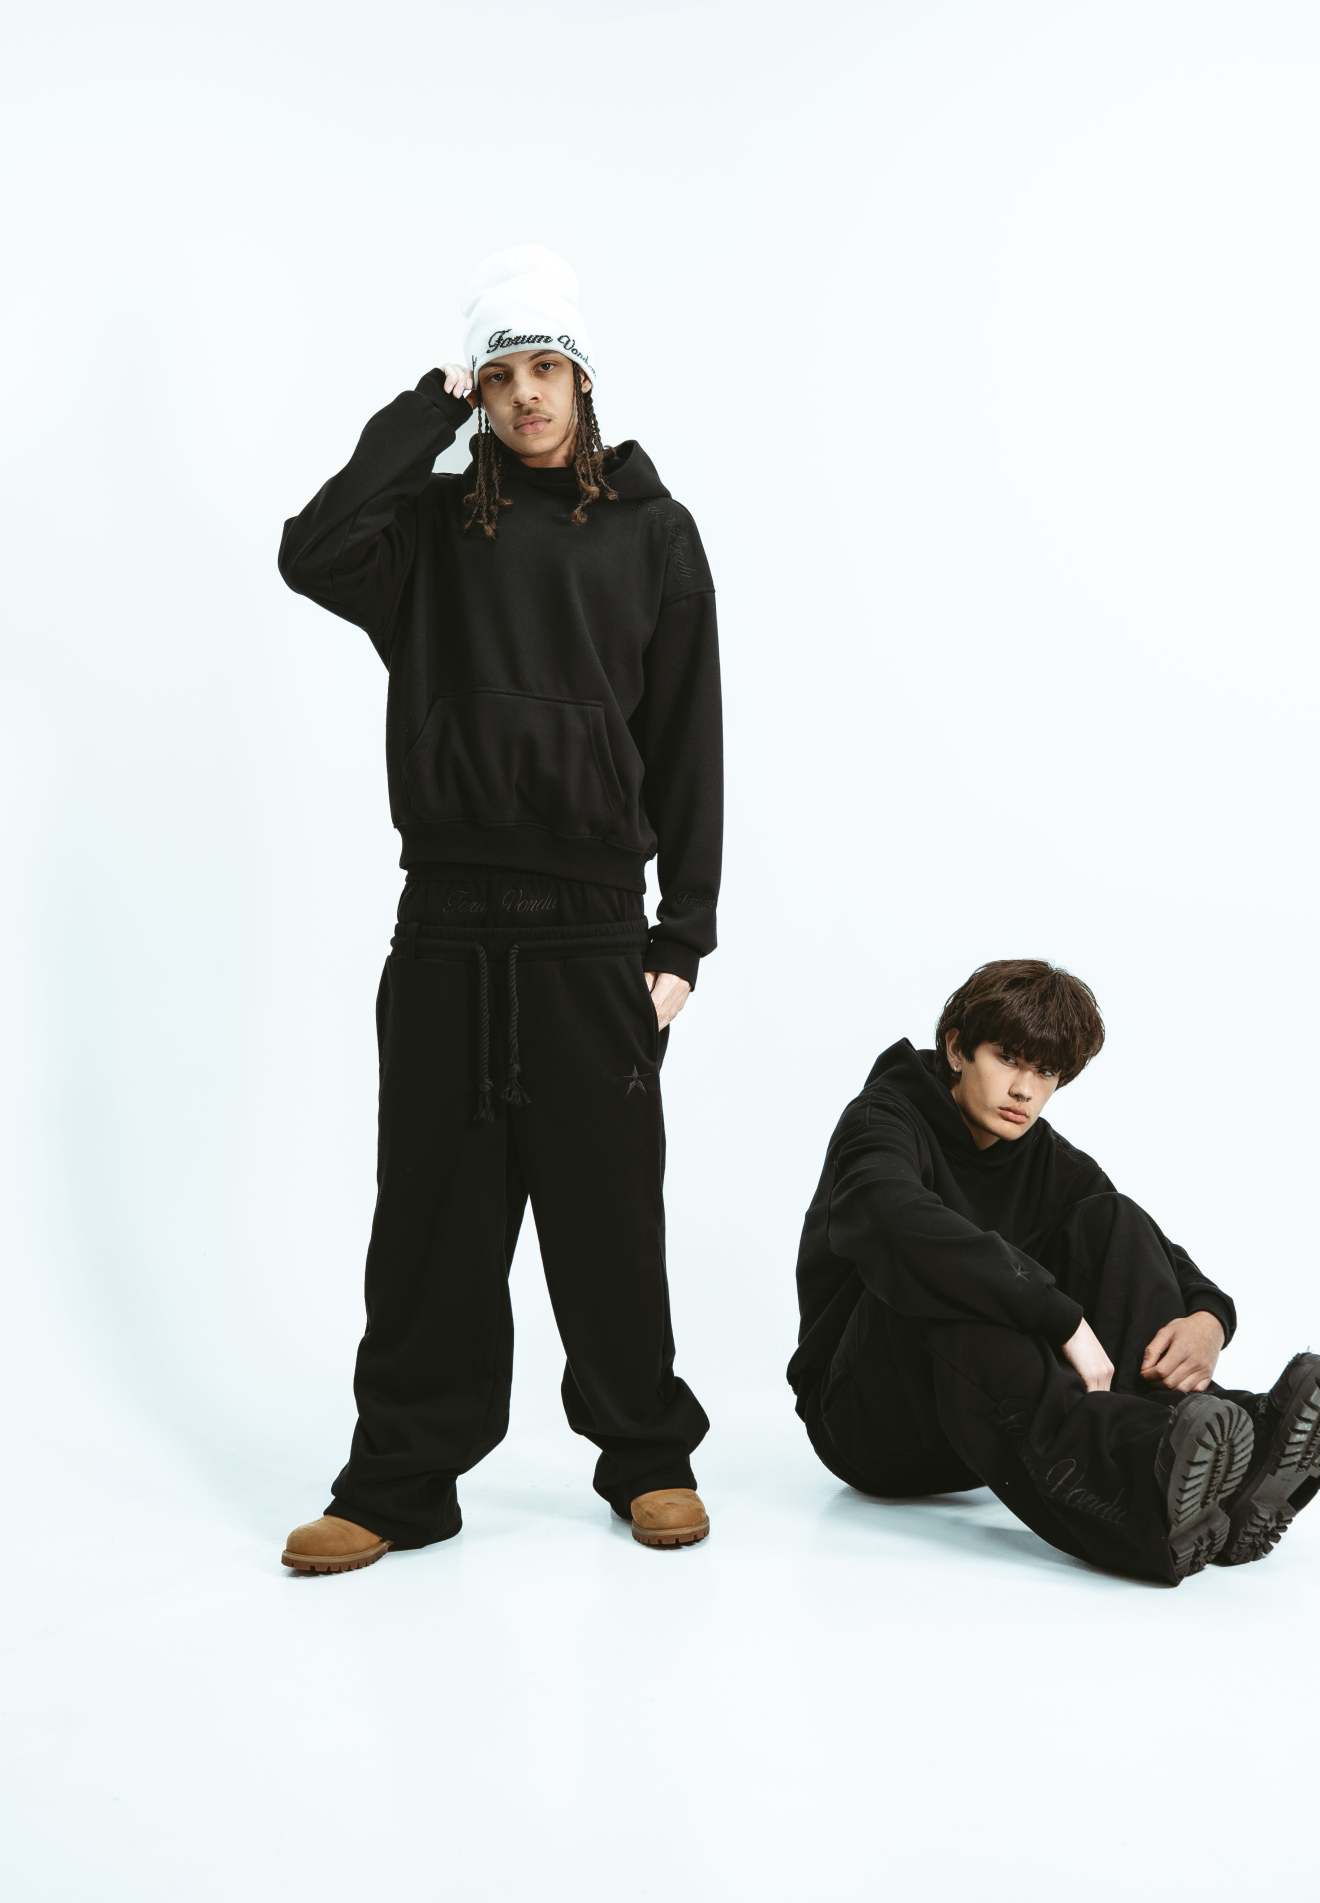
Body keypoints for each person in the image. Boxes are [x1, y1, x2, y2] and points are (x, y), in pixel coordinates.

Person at [275, 243, 721, 1571]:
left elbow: (687, 740)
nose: (527, 395)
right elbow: (309, 549)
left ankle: (646, 1455)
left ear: (582, 381)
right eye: (501, 374)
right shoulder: (425, 534)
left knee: (607, 1216)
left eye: (546, 369)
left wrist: (682, 935)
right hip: (448, 927)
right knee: (430, 1220)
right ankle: (400, 1478)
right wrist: (426, 408)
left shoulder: (654, 534)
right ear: (479, 389)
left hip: (593, 931)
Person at [786, 958, 1320, 1585]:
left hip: (985, 1427)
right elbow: (889, 1218)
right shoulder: (883, 1119)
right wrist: (1062, 1319)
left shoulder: (1042, 1155)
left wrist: (1208, 1316)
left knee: (1109, 1220)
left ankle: (1228, 1456)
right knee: (955, 1286)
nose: (1023, 1090)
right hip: (867, 1423)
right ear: (956, 1049)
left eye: (1045, 1072)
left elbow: (1140, 1241)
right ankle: (1142, 1490)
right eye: (1007, 1059)